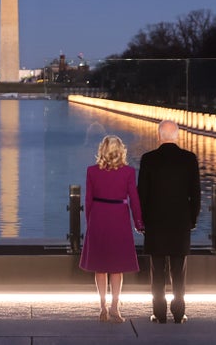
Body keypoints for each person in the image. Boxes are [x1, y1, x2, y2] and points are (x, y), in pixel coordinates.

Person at [137, 120, 201, 324]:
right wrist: (192, 219)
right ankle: (179, 312)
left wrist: (143, 220)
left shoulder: (148, 159)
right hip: (180, 222)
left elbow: (142, 194)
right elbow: (196, 194)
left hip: (155, 223)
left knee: (157, 271)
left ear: (159, 136)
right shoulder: (189, 159)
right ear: (177, 136)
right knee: (178, 271)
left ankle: (159, 312)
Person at [79, 135, 144, 323]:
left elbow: (88, 199)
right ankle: (115, 307)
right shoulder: (128, 172)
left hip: (99, 216)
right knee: (117, 267)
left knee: (100, 266)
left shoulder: (92, 171)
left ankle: (102, 306)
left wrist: (89, 220)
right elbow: (134, 199)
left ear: (102, 150)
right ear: (121, 150)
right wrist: (138, 222)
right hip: (119, 217)